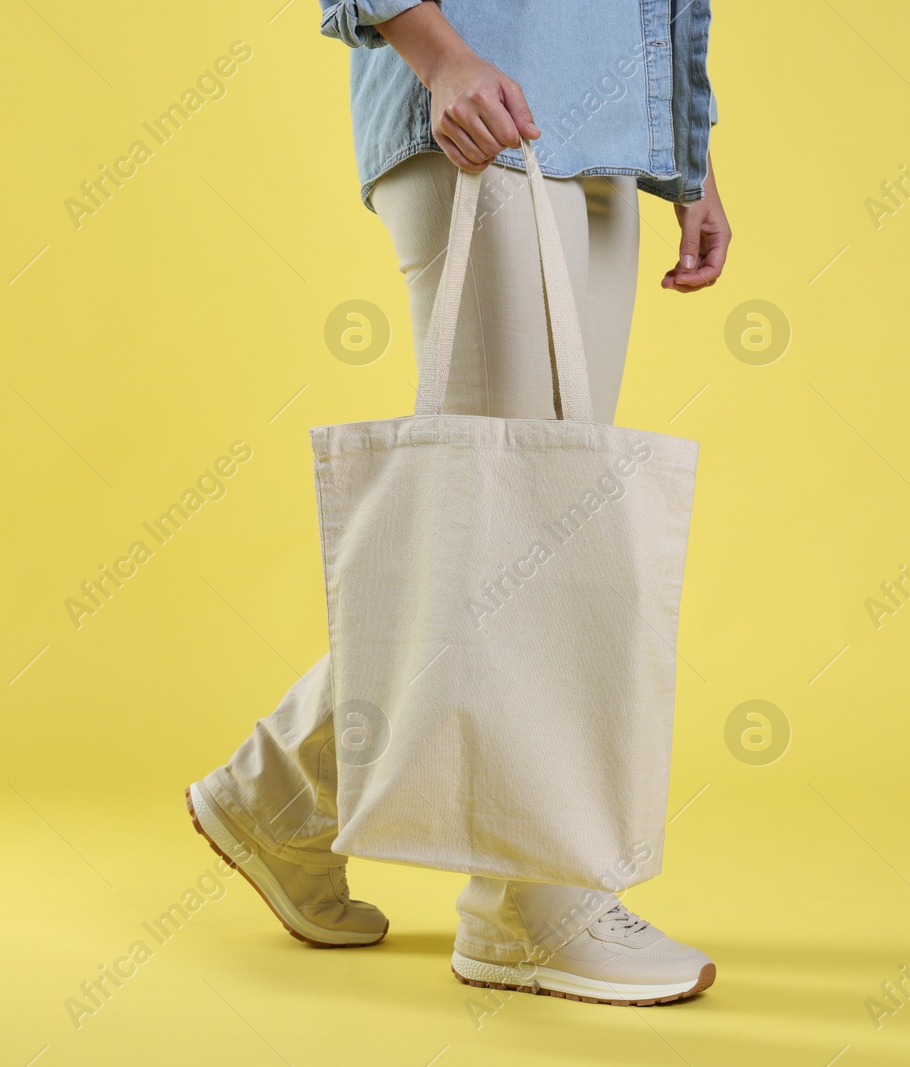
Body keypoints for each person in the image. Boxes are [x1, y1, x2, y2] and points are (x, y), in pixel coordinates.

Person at [185, 0, 730, 1006]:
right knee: (519, 542)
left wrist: (687, 153)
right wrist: (436, 56)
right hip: (481, 101)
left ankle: (281, 795)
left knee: (531, 532)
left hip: (604, 133)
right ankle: (533, 905)